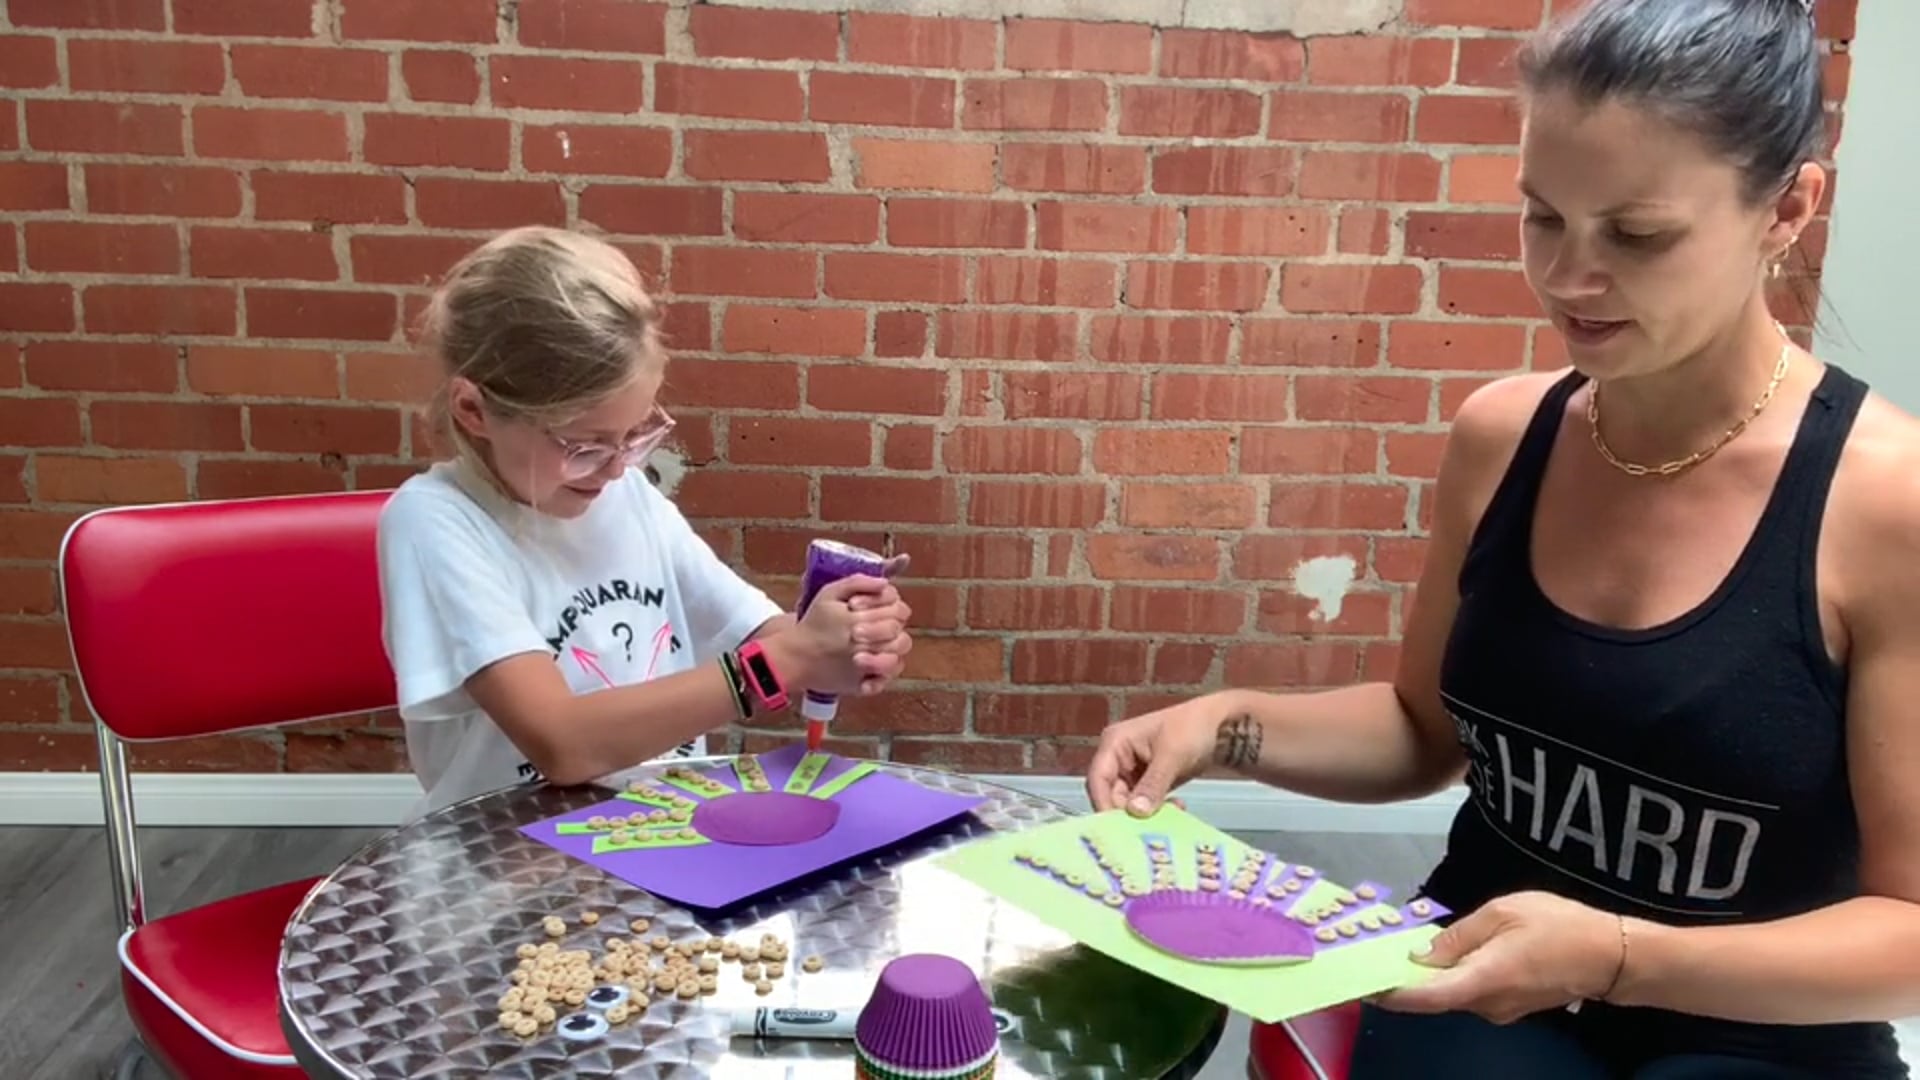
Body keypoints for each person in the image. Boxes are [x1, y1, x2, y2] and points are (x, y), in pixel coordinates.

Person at [1087, 0, 1918, 1076]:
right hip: (1469, 988)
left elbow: (1908, 931)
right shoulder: (1502, 436)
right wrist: (1223, 723)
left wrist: (1617, 956)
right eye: (1542, 218)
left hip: (1760, 1029)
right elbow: (1422, 730)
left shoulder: (1886, 505)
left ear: (1788, 209)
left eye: (1638, 233)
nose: (1570, 277)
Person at [376, 226, 914, 818]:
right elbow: (564, 744)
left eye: (635, 436)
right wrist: (790, 661)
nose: (613, 470)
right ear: (474, 410)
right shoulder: (435, 522)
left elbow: (765, 639)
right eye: (584, 445)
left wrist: (845, 642)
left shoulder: (628, 494)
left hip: (656, 832)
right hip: (503, 862)